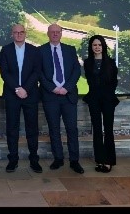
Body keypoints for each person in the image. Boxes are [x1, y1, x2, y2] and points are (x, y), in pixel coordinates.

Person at [39, 23, 84, 174]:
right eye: (52, 32)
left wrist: (67, 88)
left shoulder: (70, 50)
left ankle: (74, 160)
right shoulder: (41, 51)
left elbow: (77, 71)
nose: (55, 34)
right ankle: (58, 158)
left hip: (68, 96)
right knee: (54, 129)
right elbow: (40, 74)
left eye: (58, 32)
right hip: (50, 96)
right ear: (48, 33)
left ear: (61, 33)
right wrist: (53, 88)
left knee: (72, 129)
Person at [0, 23, 43, 173]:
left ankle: (34, 160)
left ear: (25, 33)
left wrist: (25, 89)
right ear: (12, 34)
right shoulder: (5, 50)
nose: (18, 34)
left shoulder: (34, 51)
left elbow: (37, 72)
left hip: (30, 95)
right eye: (16, 32)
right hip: (12, 95)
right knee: (12, 128)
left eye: (21, 32)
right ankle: (13, 160)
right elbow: (4, 73)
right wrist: (17, 89)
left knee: (32, 128)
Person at [82, 34, 120, 173]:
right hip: (94, 100)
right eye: (94, 45)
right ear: (91, 47)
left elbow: (114, 82)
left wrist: (106, 95)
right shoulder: (87, 63)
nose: (97, 47)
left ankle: (109, 161)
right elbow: (91, 82)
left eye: (99, 45)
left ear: (103, 46)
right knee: (97, 131)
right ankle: (100, 160)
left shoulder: (111, 62)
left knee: (108, 130)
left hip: (108, 100)